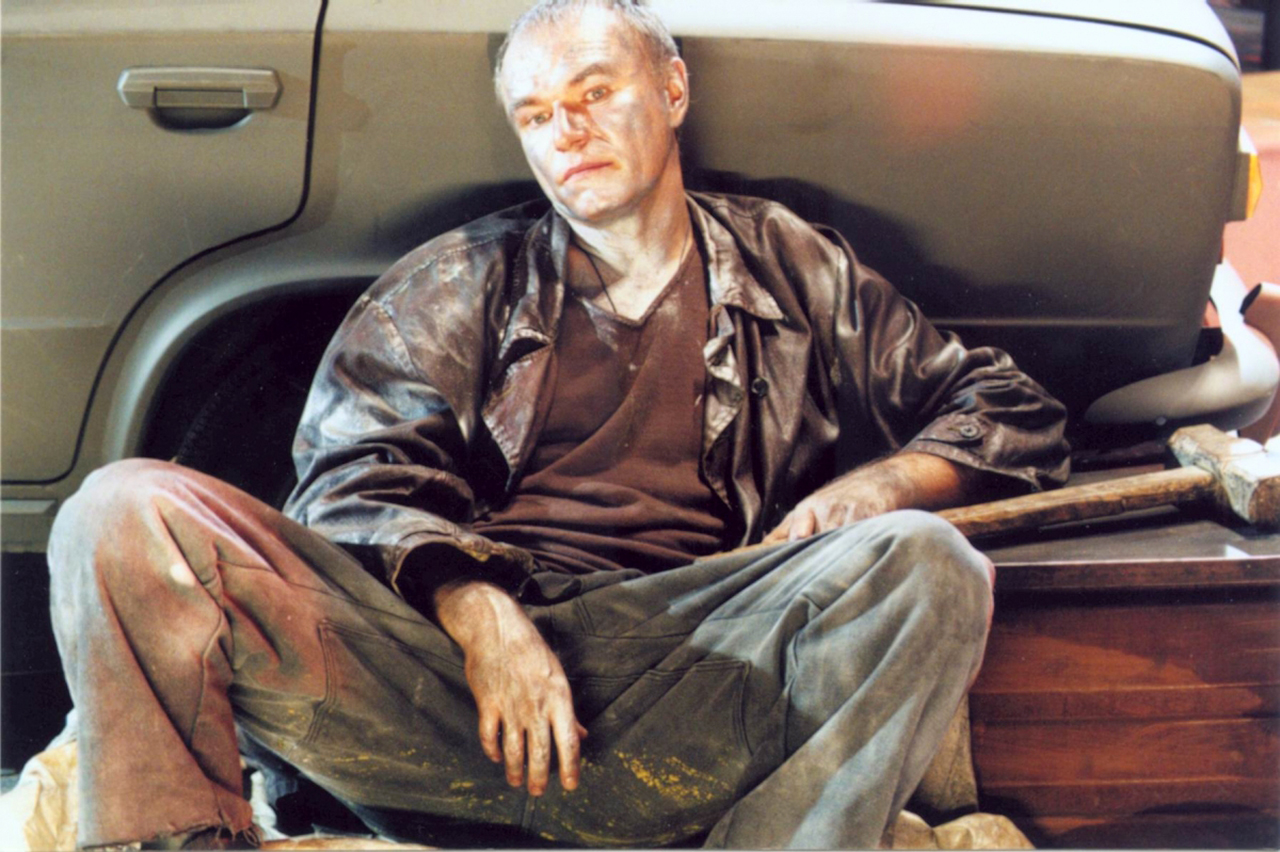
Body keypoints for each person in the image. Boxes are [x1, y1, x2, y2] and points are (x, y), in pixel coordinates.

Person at [48, 0, 1070, 848]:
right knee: (120, 511)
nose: (566, 132)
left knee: (928, 563)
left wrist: (883, 484)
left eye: (593, 93)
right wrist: (481, 612)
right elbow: (348, 493)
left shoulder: (788, 263)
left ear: (672, 91)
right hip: (449, 690)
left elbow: (1009, 410)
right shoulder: (453, 284)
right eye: (536, 115)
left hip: (691, 662)